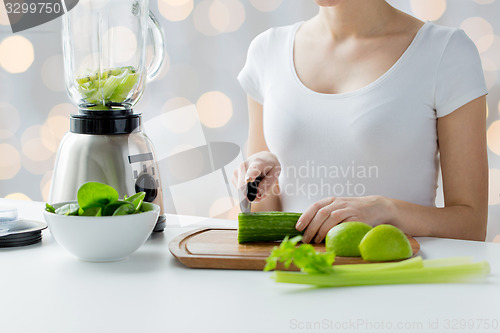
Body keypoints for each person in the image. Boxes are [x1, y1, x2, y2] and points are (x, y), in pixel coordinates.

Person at [233, 0, 488, 243]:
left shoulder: (446, 51)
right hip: (294, 279)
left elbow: (472, 225)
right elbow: (260, 214)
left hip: (399, 280)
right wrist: (258, 185)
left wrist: (387, 211)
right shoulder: (267, 50)